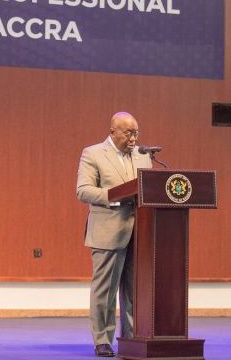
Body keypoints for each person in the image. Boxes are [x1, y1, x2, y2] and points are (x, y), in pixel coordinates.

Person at [76, 112, 152, 357]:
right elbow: (83, 190)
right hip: (108, 230)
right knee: (105, 291)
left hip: (140, 233)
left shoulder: (143, 155)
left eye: (136, 133)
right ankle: (102, 340)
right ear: (113, 132)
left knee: (134, 291)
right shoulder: (93, 153)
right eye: (128, 133)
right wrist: (114, 195)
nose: (134, 139)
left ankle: (131, 338)